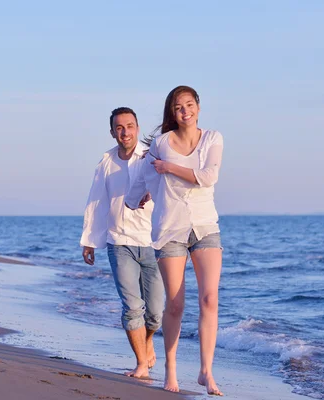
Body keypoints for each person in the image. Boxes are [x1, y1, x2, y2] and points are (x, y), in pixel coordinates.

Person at [126, 86, 224, 396]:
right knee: (176, 304)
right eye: (178, 107)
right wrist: (134, 199)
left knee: (209, 299)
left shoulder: (213, 139)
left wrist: (169, 168)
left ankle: (206, 371)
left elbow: (208, 177)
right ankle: (170, 368)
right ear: (173, 112)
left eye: (190, 104)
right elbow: (144, 175)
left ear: (198, 107)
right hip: (170, 229)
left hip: (205, 227)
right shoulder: (161, 143)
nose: (185, 111)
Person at [80, 107, 164, 379]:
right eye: (119, 127)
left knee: (155, 314)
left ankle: (147, 339)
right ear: (113, 132)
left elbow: (169, 191)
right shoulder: (106, 161)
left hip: (153, 242)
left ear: (137, 128)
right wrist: (90, 240)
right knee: (132, 307)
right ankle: (141, 364)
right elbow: (97, 200)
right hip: (119, 242)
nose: (125, 132)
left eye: (129, 126)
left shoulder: (151, 157)